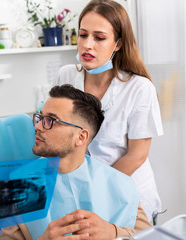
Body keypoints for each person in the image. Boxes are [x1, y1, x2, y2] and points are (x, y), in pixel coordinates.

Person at [54, 0, 164, 221]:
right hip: (79, 192)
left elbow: (137, 155)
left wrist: (97, 191)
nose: (87, 45)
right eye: (83, 35)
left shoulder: (139, 88)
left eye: (99, 37)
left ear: (118, 43)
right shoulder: (66, 76)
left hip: (125, 192)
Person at [0, 84, 151, 240]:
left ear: (81, 137)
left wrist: (112, 232)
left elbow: (151, 237)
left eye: (50, 120)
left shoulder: (121, 185)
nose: (37, 126)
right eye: (40, 118)